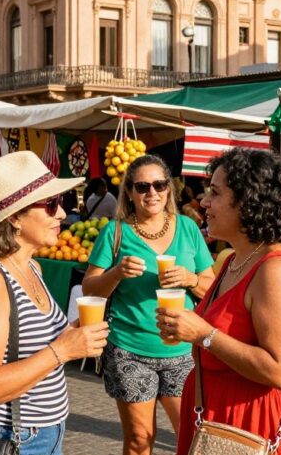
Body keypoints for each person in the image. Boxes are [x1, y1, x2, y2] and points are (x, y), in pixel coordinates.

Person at [156, 148, 281, 454]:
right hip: (221, 421)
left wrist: (203, 335)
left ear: (250, 202)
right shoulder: (234, 259)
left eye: (215, 193)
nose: (204, 202)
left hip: (259, 426)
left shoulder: (276, 270)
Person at [0, 151, 109, 455]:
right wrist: (63, 350)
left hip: (42, 434)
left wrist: (73, 336)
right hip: (2, 436)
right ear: (14, 216)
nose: (62, 214)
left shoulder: (32, 267)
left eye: (59, 202)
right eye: (51, 205)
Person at [83, 154, 216, 455]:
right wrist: (116, 273)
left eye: (159, 184)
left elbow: (211, 288)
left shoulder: (188, 228)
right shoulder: (115, 232)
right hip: (130, 349)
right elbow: (90, 289)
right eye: (142, 186)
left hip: (183, 351)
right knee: (139, 440)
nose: (152, 193)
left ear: (170, 188)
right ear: (129, 192)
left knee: (194, 439)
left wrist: (190, 279)